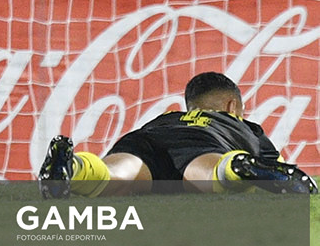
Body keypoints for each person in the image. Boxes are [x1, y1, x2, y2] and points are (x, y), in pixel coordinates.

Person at [39, 70, 317, 195]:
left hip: (149, 137)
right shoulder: (241, 125)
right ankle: (236, 167)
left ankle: (73, 166)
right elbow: (279, 171)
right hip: (205, 141)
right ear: (233, 106)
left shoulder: (169, 117)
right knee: (206, 170)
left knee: (116, 174)